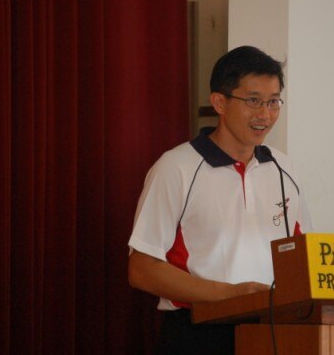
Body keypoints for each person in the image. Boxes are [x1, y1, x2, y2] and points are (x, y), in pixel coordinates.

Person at [127, 46, 312, 354]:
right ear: (219, 102)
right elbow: (142, 269)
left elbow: (301, 255)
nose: (265, 114)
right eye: (253, 101)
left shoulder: (283, 168)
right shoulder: (177, 167)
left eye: (273, 102)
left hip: (274, 332)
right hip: (198, 332)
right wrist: (230, 294)